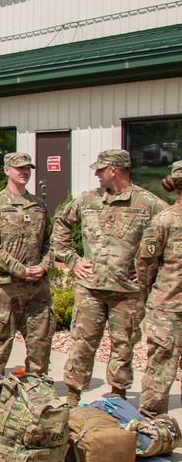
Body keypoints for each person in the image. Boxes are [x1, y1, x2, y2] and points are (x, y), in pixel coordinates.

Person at [55, 149, 168, 405]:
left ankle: (118, 397)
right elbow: (61, 224)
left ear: (113, 170)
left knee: (123, 347)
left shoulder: (148, 203)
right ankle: (72, 397)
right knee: (83, 343)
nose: (96, 173)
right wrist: (72, 261)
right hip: (90, 289)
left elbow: (170, 235)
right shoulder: (87, 200)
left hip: (127, 292)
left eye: (100, 169)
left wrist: (148, 270)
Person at [0, 152, 55, 375]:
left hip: (36, 289)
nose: (24, 172)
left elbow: (50, 242)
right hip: (5, 288)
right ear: (7, 170)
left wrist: (43, 266)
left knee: (40, 345)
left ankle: (37, 394)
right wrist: (20, 270)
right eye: (19, 168)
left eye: (27, 168)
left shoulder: (39, 206)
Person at [136, 162, 182, 416]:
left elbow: (145, 266)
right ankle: (153, 425)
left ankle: (153, 422)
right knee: (161, 367)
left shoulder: (162, 219)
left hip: (165, 304)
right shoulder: (165, 220)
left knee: (160, 368)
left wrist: (147, 298)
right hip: (168, 307)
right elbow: (145, 265)